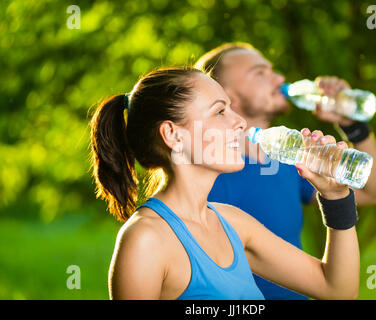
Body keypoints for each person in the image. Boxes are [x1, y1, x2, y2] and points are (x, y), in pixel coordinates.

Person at [89, 66, 360, 300]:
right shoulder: (145, 240)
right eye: (220, 112)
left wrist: (336, 197)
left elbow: (336, 289)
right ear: (173, 135)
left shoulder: (234, 223)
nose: (240, 122)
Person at [195, 42, 376, 300]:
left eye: (272, 70)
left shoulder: (286, 157)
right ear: (225, 95)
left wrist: (351, 123)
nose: (278, 78)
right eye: (260, 73)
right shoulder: (206, 176)